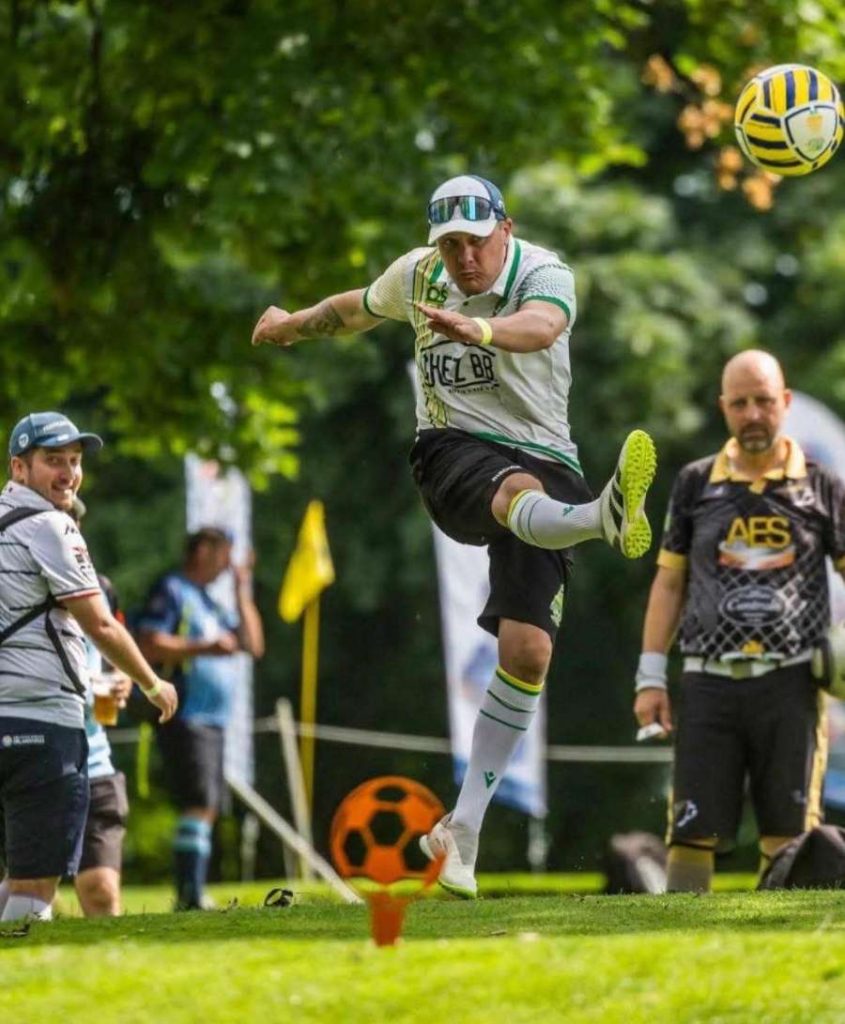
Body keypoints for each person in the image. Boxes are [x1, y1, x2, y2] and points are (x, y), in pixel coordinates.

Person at [251, 174, 657, 898]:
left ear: (505, 227)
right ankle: (602, 517)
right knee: (512, 495)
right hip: (450, 449)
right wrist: (289, 324)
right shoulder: (419, 275)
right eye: (450, 243)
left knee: (527, 653)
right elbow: (353, 309)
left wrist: (481, 329)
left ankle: (460, 829)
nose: (463, 257)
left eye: (474, 240)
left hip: (547, 455)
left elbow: (543, 325)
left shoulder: (542, 270)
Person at [633, 350, 845, 892]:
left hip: (793, 683)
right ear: (723, 406)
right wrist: (651, 677)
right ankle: (677, 957)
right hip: (708, 681)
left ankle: (779, 958)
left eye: (764, 401)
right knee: (690, 832)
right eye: (741, 403)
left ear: (786, 403)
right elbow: (669, 584)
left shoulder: (822, 486)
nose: (753, 414)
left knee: (791, 834)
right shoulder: (694, 483)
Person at [0, 412, 177, 924]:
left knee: (13, 879)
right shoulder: (52, 526)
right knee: (34, 890)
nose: (69, 473)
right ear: (19, 467)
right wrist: (152, 681)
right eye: (53, 460)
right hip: (41, 726)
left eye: (75, 462)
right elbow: (100, 625)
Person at [137, 528, 264, 910]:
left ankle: (191, 892)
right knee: (199, 801)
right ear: (203, 550)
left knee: (206, 804)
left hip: (214, 719)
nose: (228, 563)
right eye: (224, 553)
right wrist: (204, 647)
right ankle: (189, 894)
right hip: (186, 713)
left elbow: (253, 645)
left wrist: (242, 591)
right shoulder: (173, 590)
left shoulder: (210, 600)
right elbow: (147, 642)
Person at [68, 497, 133, 917]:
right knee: (26, 890)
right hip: (26, 756)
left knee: (101, 891)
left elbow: (113, 652)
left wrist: (125, 678)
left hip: (94, 760)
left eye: (72, 524)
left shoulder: (101, 590)